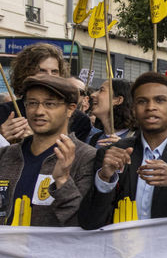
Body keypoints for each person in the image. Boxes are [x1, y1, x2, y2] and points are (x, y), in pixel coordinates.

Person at [80, 73, 167, 229]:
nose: (151, 107)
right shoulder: (111, 154)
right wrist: (104, 179)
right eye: (142, 101)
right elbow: (89, 222)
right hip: (123, 244)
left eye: (160, 100)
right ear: (133, 109)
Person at [0, 75, 96, 226]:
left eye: (49, 104)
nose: (39, 111)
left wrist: (63, 181)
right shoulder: (5, 155)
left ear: (70, 109)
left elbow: (82, 224)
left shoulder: (86, 158)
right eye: (32, 103)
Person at [0, 43, 92, 143]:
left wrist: (38, 141)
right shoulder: (4, 112)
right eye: (42, 71)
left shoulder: (78, 119)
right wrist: (2, 138)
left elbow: (77, 151)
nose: (49, 76)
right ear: (25, 73)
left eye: (54, 71)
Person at [87, 79, 135, 147]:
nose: (92, 95)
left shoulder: (140, 138)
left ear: (118, 100)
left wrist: (124, 148)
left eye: (101, 90)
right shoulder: (93, 140)